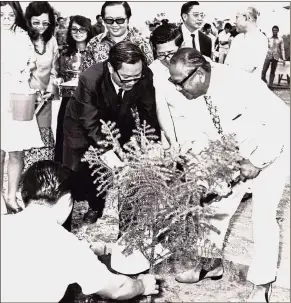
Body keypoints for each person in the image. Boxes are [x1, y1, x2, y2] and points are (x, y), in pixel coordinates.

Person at [168, 48, 289, 302]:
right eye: (173, 82)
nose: (178, 88)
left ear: (199, 74)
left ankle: (261, 284)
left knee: (263, 217)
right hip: (232, 153)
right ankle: (210, 264)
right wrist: (205, 175)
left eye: (180, 82)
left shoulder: (242, 84)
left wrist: (257, 161)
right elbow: (198, 138)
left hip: (273, 149)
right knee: (215, 207)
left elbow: (281, 122)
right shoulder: (192, 96)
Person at [1, 160, 160, 303]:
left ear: (21, 197)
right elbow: (117, 289)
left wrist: (91, 249)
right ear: (67, 201)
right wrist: (141, 285)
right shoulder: (67, 246)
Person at [63, 41, 161, 224]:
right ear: (110, 67)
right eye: (125, 78)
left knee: (129, 169)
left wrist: (153, 143)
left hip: (118, 119)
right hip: (80, 125)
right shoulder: (90, 78)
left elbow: (148, 113)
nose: (132, 82)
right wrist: (108, 153)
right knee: (75, 173)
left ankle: (127, 223)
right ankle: (69, 222)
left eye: (136, 77)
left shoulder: (145, 75)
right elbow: (89, 122)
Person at [0, 1, 44, 214]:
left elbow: (31, 63)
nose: (6, 19)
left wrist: (25, 70)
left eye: (10, 14)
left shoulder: (23, 36)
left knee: (16, 150)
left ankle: (11, 196)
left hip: (18, 95)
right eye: (1, 15)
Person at [24, 1, 59, 168]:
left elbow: (54, 68)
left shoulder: (51, 40)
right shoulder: (22, 39)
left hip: (45, 99)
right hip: (23, 100)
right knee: (23, 143)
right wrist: (29, 91)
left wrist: (51, 88)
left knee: (44, 142)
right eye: (36, 22)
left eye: (45, 23)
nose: (41, 27)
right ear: (28, 21)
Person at [54, 15, 93, 163]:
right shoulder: (64, 53)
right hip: (68, 101)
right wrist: (59, 79)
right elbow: (59, 74)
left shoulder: (94, 51)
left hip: (89, 103)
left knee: (86, 140)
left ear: (89, 30)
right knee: (65, 138)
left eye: (82, 29)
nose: (78, 32)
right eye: (74, 29)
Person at [81, 1, 153, 71]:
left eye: (120, 20)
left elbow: (149, 75)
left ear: (128, 19)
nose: (114, 25)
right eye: (109, 20)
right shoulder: (94, 43)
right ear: (103, 20)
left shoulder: (141, 44)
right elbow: (87, 75)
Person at [149, 23, 184, 149]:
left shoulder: (196, 61)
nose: (167, 59)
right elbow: (161, 108)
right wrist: (173, 141)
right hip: (174, 132)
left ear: (182, 46)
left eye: (171, 53)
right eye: (161, 54)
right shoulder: (153, 72)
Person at [224, 6, 268, 78]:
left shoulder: (261, 39)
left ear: (247, 18)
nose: (234, 22)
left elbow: (248, 70)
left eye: (237, 17)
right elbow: (227, 64)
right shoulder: (237, 38)